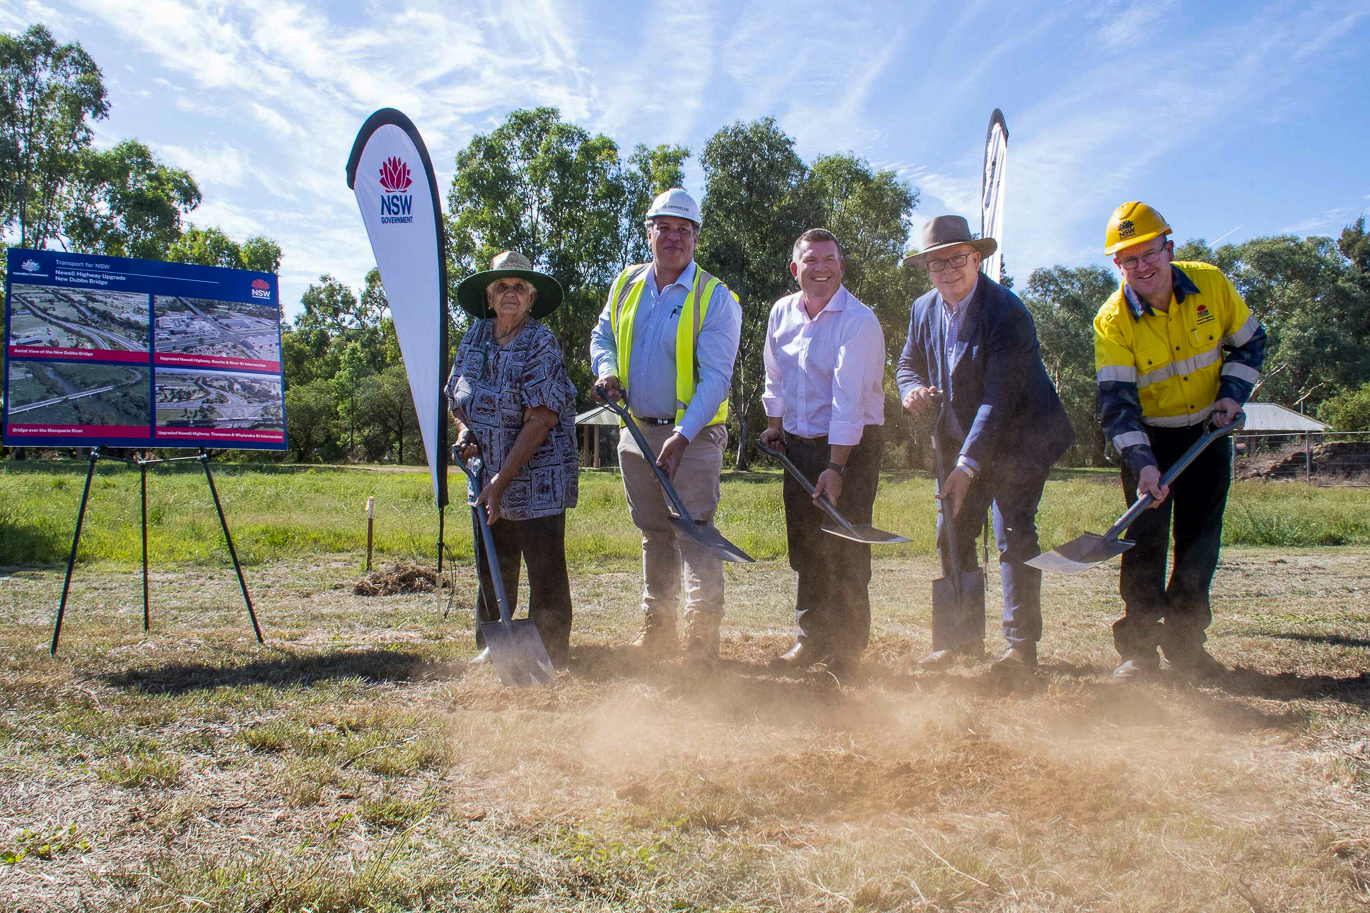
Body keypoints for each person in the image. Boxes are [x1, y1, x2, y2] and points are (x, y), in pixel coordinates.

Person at [1094, 202, 1265, 683]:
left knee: (1198, 545)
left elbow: (1250, 342)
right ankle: (1139, 652)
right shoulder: (1113, 320)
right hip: (1148, 440)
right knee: (1144, 545)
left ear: (1168, 246)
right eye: (1129, 260)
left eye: (1149, 253)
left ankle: (1188, 647)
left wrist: (1231, 396)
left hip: (1208, 435)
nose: (1142, 267)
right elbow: (1118, 403)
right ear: (1117, 265)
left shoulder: (1211, 284)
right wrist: (1143, 464)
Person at [897, 215, 1074, 678]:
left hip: (1020, 438)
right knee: (951, 533)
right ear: (927, 270)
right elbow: (907, 363)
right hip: (958, 440)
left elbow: (999, 400)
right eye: (937, 263)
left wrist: (967, 466)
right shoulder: (923, 309)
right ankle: (958, 642)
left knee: (1013, 534)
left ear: (978, 259)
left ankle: (1020, 647)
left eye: (957, 258)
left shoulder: (1007, 313)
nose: (948, 270)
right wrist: (911, 389)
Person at [590, 187, 742, 664]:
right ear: (649, 231)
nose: (674, 237)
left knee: (695, 532)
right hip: (635, 433)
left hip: (691, 438)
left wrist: (682, 434)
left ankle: (702, 640)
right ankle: (659, 631)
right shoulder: (626, 284)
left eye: (685, 229)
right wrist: (606, 369)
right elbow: (602, 334)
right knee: (654, 532)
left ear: (696, 238)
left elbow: (716, 380)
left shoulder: (715, 298)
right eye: (666, 227)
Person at [760, 229, 886, 678]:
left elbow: (847, 401)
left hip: (852, 447)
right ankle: (811, 639)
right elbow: (775, 376)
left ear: (841, 266)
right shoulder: (781, 313)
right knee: (807, 548)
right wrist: (775, 426)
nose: (820, 268)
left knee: (847, 549)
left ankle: (847, 652)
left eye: (829, 259)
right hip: (799, 444)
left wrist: (836, 466)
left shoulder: (858, 320)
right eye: (810, 260)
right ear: (795, 269)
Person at [446, 250, 579, 669]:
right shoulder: (474, 336)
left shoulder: (540, 342)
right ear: (488, 298)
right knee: (492, 563)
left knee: (544, 567)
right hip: (487, 474)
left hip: (537, 474)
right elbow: (458, 398)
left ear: (531, 297)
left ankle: (550, 649)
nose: (509, 293)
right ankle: (493, 643)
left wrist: (501, 482)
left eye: (518, 287)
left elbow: (540, 417)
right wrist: (466, 433)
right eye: (501, 286)